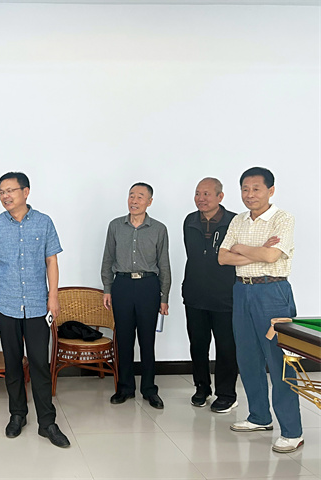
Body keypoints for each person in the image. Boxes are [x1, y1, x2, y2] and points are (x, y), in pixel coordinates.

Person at [0, 172, 70, 448]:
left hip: (37, 304)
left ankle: (47, 422)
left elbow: (51, 261)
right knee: (12, 363)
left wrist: (53, 296)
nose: (5, 196)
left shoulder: (44, 222)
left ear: (26, 191)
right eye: (1, 192)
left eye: (10, 190)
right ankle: (17, 414)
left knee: (40, 363)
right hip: (6, 304)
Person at [219, 166, 303, 453]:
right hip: (242, 290)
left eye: (256, 189)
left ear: (271, 190)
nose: (249, 194)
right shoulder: (238, 220)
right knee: (248, 357)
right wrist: (256, 251)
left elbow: (271, 256)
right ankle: (259, 417)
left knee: (279, 361)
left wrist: (241, 248)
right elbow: (222, 257)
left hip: (273, 292)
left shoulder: (283, 219)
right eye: (245, 189)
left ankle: (292, 431)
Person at [101, 182, 170, 409]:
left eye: (140, 196)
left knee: (147, 340)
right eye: (131, 195)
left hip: (148, 286)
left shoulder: (159, 229)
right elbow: (107, 259)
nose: (134, 200)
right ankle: (124, 388)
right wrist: (107, 288)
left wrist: (164, 297)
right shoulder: (115, 226)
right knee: (123, 339)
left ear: (149, 201)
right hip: (121, 284)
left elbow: (164, 264)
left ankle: (149, 389)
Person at [182, 178, 238, 412]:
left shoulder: (234, 221)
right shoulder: (190, 221)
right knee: (198, 345)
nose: (201, 199)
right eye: (197, 194)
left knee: (226, 347)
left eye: (206, 194)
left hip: (225, 296)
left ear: (220, 196)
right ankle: (201, 388)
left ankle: (226, 394)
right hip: (195, 294)